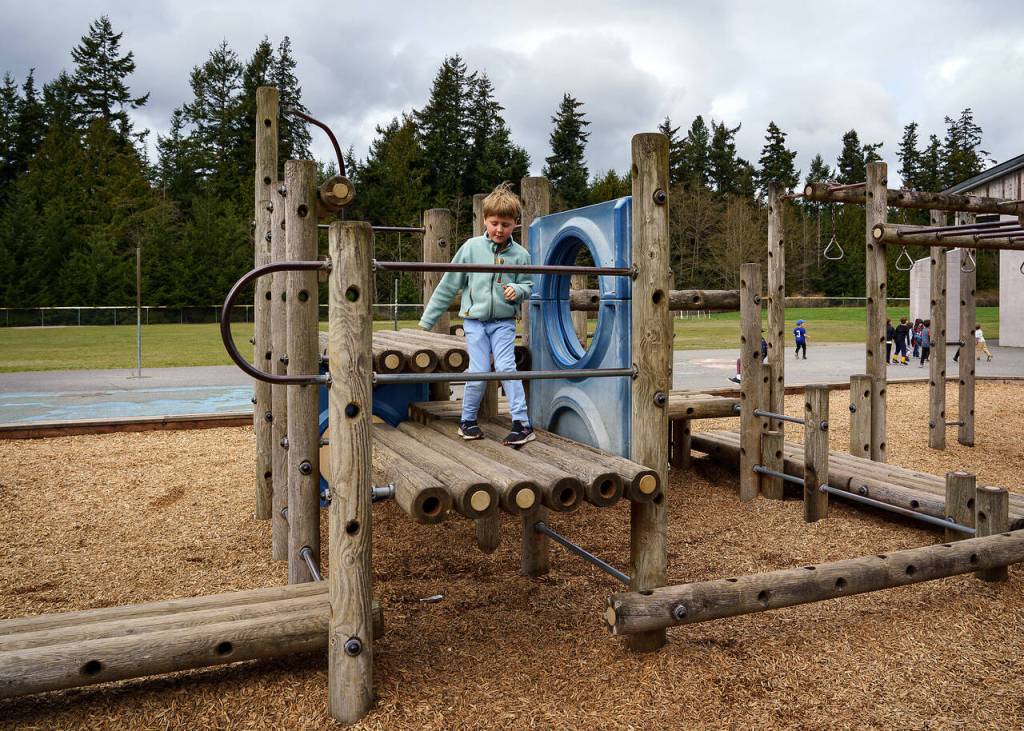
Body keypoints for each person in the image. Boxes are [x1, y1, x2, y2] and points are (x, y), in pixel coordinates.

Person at [418, 182, 534, 445]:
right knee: (478, 370)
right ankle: (467, 420)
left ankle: (522, 423)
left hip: (503, 322)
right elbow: (449, 285)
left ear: (515, 223)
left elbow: (530, 284)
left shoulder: (520, 255)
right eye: (494, 223)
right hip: (474, 322)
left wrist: (518, 289)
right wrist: (427, 320)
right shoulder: (471, 248)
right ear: (485, 220)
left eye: (506, 224)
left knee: (506, 367)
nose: (499, 229)